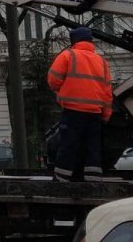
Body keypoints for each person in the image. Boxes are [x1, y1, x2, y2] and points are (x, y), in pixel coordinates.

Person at [47, 26, 113, 182]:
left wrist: (61, 91)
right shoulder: (102, 62)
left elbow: (53, 80)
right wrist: (106, 113)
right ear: (90, 41)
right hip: (95, 112)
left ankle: (62, 178)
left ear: (73, 41)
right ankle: (93, 178)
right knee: (92, 146)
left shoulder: (68, 56)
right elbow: (107, 91)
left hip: (73, 110)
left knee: (69, 144)